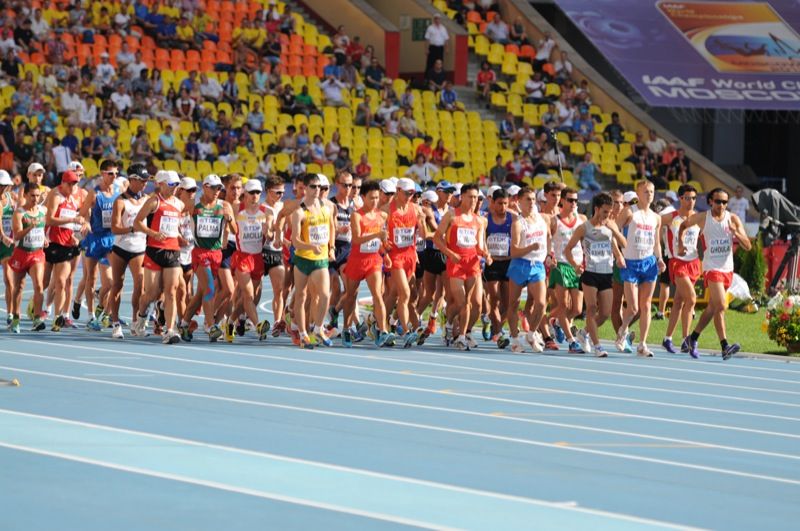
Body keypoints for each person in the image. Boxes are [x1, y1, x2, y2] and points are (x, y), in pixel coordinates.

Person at [678, 188, 752, 360]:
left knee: (712, 308)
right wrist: (681, 244)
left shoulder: (733, 219)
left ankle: (692, 338)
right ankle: (725, 346)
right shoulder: (703, 218)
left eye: (725, 202)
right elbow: (683, 226)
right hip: (712, 268)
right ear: (711, 201)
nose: (721, 205)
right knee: (721, 306)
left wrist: (736, 233)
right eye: (718, 201)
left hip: (727, 269)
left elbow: (748, 246)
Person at [563, 192, 626, 357]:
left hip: (606, 273)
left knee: (605, 313)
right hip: (590, 273)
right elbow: (567, 249)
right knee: (591, 308)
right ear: (596, 209)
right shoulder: (584, 228)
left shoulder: (610, 226)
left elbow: (622, 244)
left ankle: (584, 332)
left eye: (609, 212)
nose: (607, 215)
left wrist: (618, 253)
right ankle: (597, 346)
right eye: (605, 211)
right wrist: (575, 265)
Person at [178, 174, 236, 342]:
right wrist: (178, 234)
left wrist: (229, 219)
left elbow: (235, 231)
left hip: (216, 253)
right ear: (205, 187)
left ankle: (184, 323)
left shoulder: (225, 206)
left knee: (201, 293)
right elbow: (174, 216)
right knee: (210, 287)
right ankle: (211, 326)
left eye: (219, 188)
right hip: (199, 252)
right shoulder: (193, 204)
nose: (217, 191)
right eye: (214, 188)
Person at [434, 183, 490, 351]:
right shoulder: (451, 216)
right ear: (462, 197)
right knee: (463, 302)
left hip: (472, 264)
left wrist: (486, 255)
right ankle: (457, 332)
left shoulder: (480, 221)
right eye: (470, 197)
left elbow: (479, 246)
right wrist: (450, 253)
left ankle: (463, 334)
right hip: (456, 264)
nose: (473, 200)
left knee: (476, 304)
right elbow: (437, 238)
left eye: (476, 197)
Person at [614, 180, 666, 357]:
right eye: (646, 191)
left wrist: (660, 259)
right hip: (630, 263)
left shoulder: (656, 217)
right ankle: (622, 330)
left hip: (649, 263)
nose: (649, 194)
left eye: (651, 191)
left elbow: (656, 243)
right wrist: (618, 255)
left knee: (646, 305)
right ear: (638, 193)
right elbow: (613, 232)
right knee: (633, 308)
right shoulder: (629, 212)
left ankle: (643, 344)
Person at [132, 170, 185, 344]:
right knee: (152, 293)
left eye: (177, 185)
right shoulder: (154, 201)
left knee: (171, 291)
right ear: (161, 184)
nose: (174, 188)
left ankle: (169, 330)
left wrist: (180, 236)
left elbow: (176, 226)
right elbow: (137, 222)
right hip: (154, 251)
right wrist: (153, 233)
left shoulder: (179, 204)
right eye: (171, 184)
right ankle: (141, 318)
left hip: (173, 251)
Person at [341, 180, 394, 347]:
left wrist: (385, 252)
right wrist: (377, 235)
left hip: (374, 260)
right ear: (363, 197)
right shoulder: (356, 216)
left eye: (377, 197)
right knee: (351, 296)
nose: (375, 201)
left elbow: (382, 240)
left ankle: (382, 330)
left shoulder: (382, 216)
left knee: (378, 295)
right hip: (357, 260)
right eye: (371, 198)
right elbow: (357, 239)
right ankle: (346, 328)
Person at [291, 173, 335, 349]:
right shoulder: (299, 212)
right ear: (305, 188)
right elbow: (295, 241)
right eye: (313, 187)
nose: (317, 190)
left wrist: (331, 247)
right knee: (301, 297)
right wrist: (310, 246)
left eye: (320, 187)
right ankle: (303, 334)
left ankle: (318, 328)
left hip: (321, 259)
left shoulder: (327, 207)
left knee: (325, 295)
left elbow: (331, 227)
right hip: (303, 259)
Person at [505, 186, 550, 353]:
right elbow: (514, 251)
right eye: (528, 200)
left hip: (537, 265)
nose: (531, 202)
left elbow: (548, 236)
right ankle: (514, 338)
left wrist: (549, 254)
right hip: (520, 264)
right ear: (519, 202)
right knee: (514, 303)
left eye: (533, 199)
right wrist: (531, 247)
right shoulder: (518, 223)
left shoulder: (541, 219)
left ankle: (531, 334)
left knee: (541, 303)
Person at [107, 164, 149, 339]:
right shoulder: (120, 201)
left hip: (139, 249)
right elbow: (115, 228)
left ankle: (135, 321)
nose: (145, 184)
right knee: (117, 285)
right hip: (121, 248)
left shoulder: (147, 199)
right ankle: (116, 323)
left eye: (146, 181)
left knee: (140, 285)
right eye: (142, 181)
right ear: (132, 180)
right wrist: (132, 228)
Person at [79, 159, 121, 329]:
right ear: (102, 174)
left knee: (112, 282)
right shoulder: (94, 193)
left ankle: (103, 312)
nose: (114, 176)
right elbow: (83, 213)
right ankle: (91, 316)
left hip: (111, 238)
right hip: (95, 238)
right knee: (91, 278)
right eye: (111, 173)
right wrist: (85, 222)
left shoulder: (119, 191)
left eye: (116, 173)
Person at [661, 185, 701, 354]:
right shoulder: (671, 217)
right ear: (680, 198)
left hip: (694, 262)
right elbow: (654, 223)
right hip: (677, 262)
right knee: (691, 299)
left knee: (679, 302)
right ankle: (686, 339)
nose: (691, 201)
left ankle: (667, 338)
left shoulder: (698, 217)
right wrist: (660, 248)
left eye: (693, 198)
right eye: (687, 198)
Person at [44, 170, 86, 331]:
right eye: (70, 184)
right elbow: (49, 219)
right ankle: (36, 305)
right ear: (63, 183)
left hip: (66, 246)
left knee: (62, 282)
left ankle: (57, 317)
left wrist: (75, 234)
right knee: (44, 282)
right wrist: (72, 219)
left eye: (75, 184)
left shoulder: (73, 201)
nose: (73, 187)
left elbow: (70, 224)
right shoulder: (56, 197)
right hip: (51, 243)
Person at [231, 178, 271, 340]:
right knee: (248, 295)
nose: (255, 195)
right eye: (252, 192)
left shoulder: (266, 212)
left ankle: (230, 322)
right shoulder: (237, 208)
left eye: (258, 192)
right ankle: (258, 326)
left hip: (258, 259)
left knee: (247, 298)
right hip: (242, 257)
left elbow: (271, 235)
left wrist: (269, 233)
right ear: (245, 193)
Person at [548, 187, 587, 352]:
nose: (573, 203)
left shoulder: (582, 219)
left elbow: (586, 242)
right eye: (570, 200)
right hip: (561, 265)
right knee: (563, 305)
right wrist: (550, 256)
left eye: (576, 200)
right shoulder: (554, 221)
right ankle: (571, 341)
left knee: (577, 308)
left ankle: (555, 322)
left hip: (577, 266)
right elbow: (548, 240)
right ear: (562, 201)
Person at [8, 182, 48, 333]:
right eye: (32, 196)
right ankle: (15, 318)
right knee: (19, 287)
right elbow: (17, 235)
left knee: (39, 285)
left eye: (37, 196)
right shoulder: (19, 213)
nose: (35, 199)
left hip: (36, 254)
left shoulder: (42, 211)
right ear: (25, 195)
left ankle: (37, 319)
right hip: (21, 253)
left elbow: (43, 228)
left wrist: (44, 238)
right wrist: (31, 226)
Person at [483, 188, 514, 346]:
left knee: (508, 303)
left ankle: (496, 326)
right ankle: (499, 333)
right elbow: (482, 239)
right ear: (493, 203)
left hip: (508, 262)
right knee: (494, 299)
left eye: (506, 203)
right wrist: (486, 254)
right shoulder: (486, 219)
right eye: (500, 203)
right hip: (492, 263)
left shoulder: (513, 218)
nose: (503, 207)